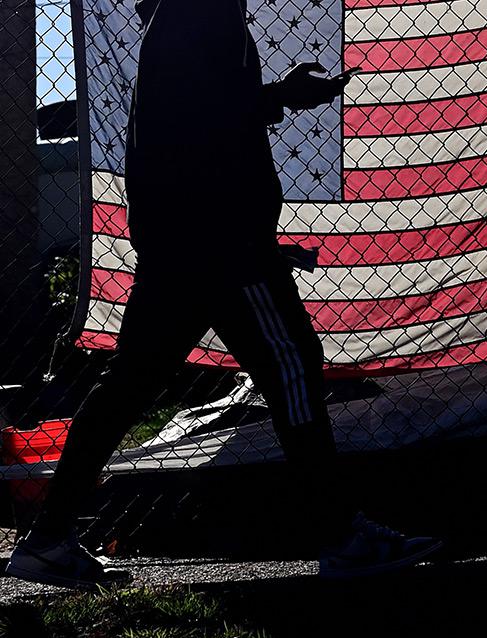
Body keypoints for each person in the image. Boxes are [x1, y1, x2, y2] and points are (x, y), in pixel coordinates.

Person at [5, 0, 441, 589]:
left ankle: (48, 537)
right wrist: (278, 100)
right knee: (292, 364)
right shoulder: (200, 12)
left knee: (132, 383)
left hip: (184, 242)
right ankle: (342, 536)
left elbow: (191, 122)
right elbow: (204, 121)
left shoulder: (182, 18)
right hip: (219, 243)